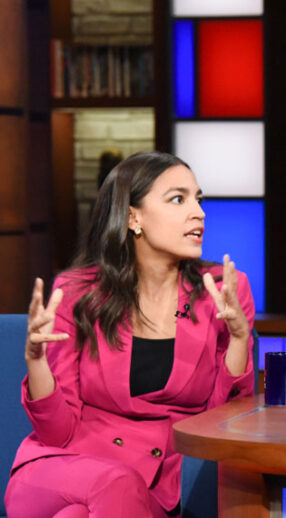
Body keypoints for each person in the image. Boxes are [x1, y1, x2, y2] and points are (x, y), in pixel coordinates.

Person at [4, 151, 256, 517]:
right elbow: (57, 433)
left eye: (198, 199)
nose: (198, 212)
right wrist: (36, 361)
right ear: (133, 216)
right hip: (61, 469)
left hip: (153, 482)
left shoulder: (221, 290)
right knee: (115, 484)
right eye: (177, 199)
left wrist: (237, 340)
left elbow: (221, 424)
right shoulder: (79, 292)